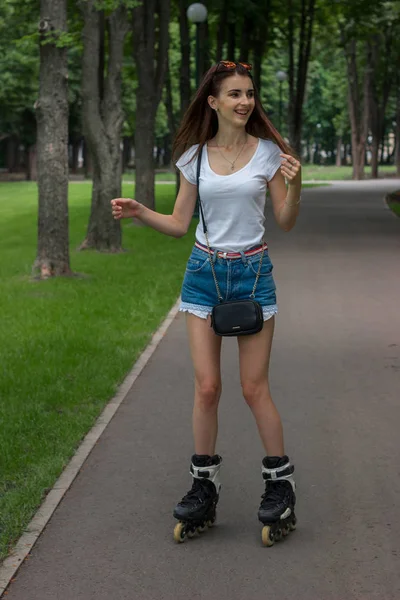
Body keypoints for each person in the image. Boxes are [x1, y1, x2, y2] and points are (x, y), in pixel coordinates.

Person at [111, 61, 301, 546]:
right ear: (213, 102)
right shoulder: (193, 158)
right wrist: (139, 212)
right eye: (234, 94)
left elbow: (285, 220)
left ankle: (280, 486)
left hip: (253, 274)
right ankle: (203, 488)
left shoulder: (268, 155)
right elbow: (179, 223)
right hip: (203, 274)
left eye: (250, 93)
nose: (245, 102)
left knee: (254, 387)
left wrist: (294, 185)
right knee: (207, 387)